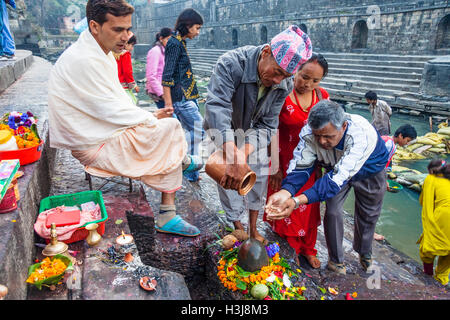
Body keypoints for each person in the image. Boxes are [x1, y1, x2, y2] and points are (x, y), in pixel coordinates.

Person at [48, 0, 202, 237]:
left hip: (98, 132)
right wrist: (150, 118)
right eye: (118, 30)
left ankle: (179, 167)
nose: (126, 36)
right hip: (93, 144)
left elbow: (115, 103)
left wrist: (149, 117)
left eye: (127, 29)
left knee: (166, 132)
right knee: (170, 129)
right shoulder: (86, 59)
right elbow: (110, 110)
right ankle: (171, 202)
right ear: (95, 26)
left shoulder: (99, 53)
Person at [204, 25, 312, 244]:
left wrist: (242, 155)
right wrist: (234, 155)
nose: (278, 81)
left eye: (286, 76)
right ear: (265, 53)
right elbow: (217, 109)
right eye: (277, 72)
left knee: (259, 180)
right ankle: (237, 224)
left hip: (255, 139)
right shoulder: (231, 64)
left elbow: (268, 125)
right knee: (228, 180)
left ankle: (253, 229)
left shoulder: (284, 83)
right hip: (226, 133)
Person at [265, 100, 390, 274]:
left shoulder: (360, 134)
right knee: (332, 211)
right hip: (334, 167)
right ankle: (336, 261)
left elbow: (334, 181)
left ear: (344, 126)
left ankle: (364, 252)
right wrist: (286, 193)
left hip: (369, 169)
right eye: (318, 136)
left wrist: (296, 201)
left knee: (368, 214)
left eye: (328, 136)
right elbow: (301, 166)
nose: (322, 141)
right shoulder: (308, 133)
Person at [264, 53, 329, 269]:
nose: (307, 84)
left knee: (308, 206)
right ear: (296, 72)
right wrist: (274, 168)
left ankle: (308, 248)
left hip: (311, 164)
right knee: (284, 205)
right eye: (304, 77)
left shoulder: (322, 97)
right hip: (283, 160)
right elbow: (270, 130)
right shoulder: (281, 94)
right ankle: (289, 249)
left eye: (315, 80)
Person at [162, 8, 204, 182]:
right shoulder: (174, 43)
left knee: (194, 133)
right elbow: (167, 75)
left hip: (187, 97)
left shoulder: (181, 42)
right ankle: (172, 152)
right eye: (197, 27)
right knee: (199, 132)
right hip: (180, 99)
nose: (198, 32)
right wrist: (168, 104)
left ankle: (191, 172)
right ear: (188, 25)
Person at [374, 123, 418, 241]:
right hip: (374, 178)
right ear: (400, 136)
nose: (407, 143)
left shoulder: (385, 139)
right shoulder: (390, 145)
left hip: (370, 176)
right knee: (374, 206)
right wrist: (384, 181)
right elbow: (381, 164)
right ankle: (371, 233)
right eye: (407, 140)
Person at [418, 159, 450, 286]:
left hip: (444, 215)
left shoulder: (431, 179)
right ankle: (441, 278)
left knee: (428, 247)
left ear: (431, 171)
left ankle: (428, 274)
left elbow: (423, 201)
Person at [146, 27, 172, 110]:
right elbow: (151, 76)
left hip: (167, 90)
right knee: (169, 116)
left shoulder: (165, 50)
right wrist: (162, 93)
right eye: (168, 39)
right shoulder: (155, 51)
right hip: (159, 92)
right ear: (161, 39)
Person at [114, 33, 139, 104]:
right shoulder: (126, 54)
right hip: (124, 86)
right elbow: (127, 72)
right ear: (126, 44)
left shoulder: (113, 53)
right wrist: (134, 86)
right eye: (132, 45)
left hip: (115, 85)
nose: (132, 48)